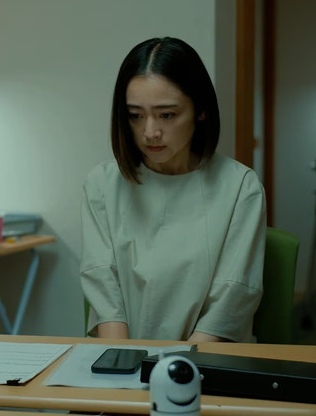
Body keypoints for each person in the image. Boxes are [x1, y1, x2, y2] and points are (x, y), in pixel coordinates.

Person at [80, 37, 266, 343]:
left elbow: (232, 297)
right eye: (135, 116)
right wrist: (122, 360)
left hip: (206, 358)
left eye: (166, 115)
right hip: (122, 356)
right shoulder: (102, 184)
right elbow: (103, 288)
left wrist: (177, 365)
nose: (150, 132)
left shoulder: (240, 187)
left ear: (200, 110)